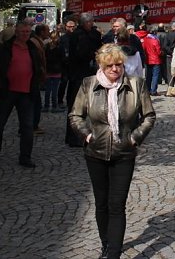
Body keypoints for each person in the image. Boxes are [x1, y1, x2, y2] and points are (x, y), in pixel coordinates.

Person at [69, 43, 156, 259]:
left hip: (124, 153)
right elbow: (75, 116)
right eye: (110, 65)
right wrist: (88, 135)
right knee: (102, 203)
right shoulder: (89, 84)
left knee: (117, 205)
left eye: (118, 64)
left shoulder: (136, 84)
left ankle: (113, 254)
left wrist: (134, 138)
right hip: (95, 153)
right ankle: (106, 243)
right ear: (101, 65)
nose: (115, 69)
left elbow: (149, 116)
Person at [0, 21, 45, 167]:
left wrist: (37, 83)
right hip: (7, 92)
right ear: (16, 32)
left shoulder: (32, 48)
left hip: (26, 93)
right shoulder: (5, 48)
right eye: (22, 32)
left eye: (28, 32)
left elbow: (38, 67)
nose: (25, 34)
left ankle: (25, 157)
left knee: (27, 127)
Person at [65, 13, 103, 146]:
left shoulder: (90, 34)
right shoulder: (79, 35)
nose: (92, 24)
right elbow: (82, 53)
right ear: (86, 23)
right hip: (79, 74)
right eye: (90, 22)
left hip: (84, 74)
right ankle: (73, 136)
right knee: (76, 106)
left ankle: (78, 135)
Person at [135, 24, 163, 95]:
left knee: (148, 76)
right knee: (155, 76)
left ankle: (147, 89)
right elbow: (158, 52)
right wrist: (162, 53)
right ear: (155, 32)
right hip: (156, 60)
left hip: (148, 59)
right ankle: (153, 91)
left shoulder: (145, 40)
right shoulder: (155, 40)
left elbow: (143, 49)